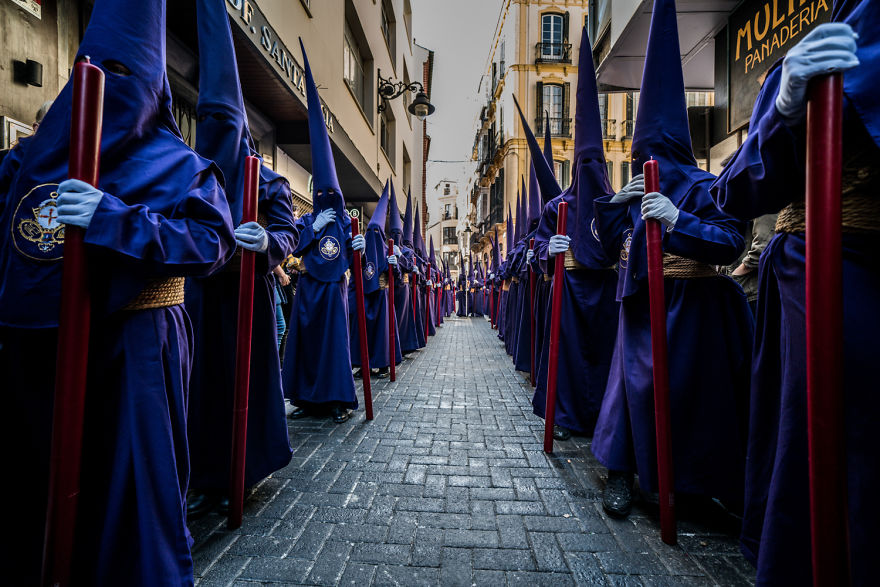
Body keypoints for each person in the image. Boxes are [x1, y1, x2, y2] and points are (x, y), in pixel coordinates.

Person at [0, 0, 236, 582]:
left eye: (125, 74)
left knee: (129, 498)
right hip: (39, 353)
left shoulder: (179, 164)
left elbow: (212, 242)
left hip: (135, 351)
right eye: (96, 66)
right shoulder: (37, 153)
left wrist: (117, 219)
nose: (111, 85)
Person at [710, 1, 879, 583]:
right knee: (827, 445)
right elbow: (735, 196)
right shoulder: (797, 63)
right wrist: (783, 109)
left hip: (821, 267)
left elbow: (726, 228)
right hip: (820, 271)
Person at [590, 0, 753, 520]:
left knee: (693, 400)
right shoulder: (636, 187)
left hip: (696, 309)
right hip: (641, 307)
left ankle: (692, 483)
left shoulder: (706, 186)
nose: (643, 161)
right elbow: (606, 248)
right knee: (632, 392)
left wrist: (679, 221)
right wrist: (616, 205)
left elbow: (731, 243)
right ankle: (622, 472)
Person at [184, 0, 296, 520]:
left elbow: (287, 231)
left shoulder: (269, 181)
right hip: (194, 298)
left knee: (240, 384)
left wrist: (265, 243)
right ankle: (200, 473)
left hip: (243, 295)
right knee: (197, 387)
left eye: (224, 126)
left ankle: (243, 469)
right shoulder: (188, 171)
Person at [516, 28, 620, 441]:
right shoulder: (556, 208)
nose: (593, 170)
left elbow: (624, 242)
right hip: (570, 288)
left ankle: (605, 422)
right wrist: (549, 249)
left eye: (599, 162)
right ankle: (562, 413)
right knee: (570, 357)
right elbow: (540, 243)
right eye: (586, 163)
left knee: (606, 358)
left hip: (607, 292)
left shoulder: (616, 202)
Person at [282, 40, 365, 425]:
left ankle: (335, 400)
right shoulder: (305, 218)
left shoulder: (346, 220)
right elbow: (292, 246)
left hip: (333, 291)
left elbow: (349, 251)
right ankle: (306, 399)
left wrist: (358, 245)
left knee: (333, 346)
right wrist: (310, 229)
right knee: (308, 344)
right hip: (308, 289)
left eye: (331, 194)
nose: (325, 199)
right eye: (321, 194)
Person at [349, 181, 402, 379]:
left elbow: (396, 280)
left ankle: (382, 364)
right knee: (364, 333)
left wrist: (393, 264)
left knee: (381, 333)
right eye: (369, 231)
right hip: (365, 297)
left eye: (376, 233)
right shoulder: (362, 248)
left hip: (381, 297)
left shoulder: (388, 249)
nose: (372, 236)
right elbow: (356, 271)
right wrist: (360, 254)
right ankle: (364, 364)